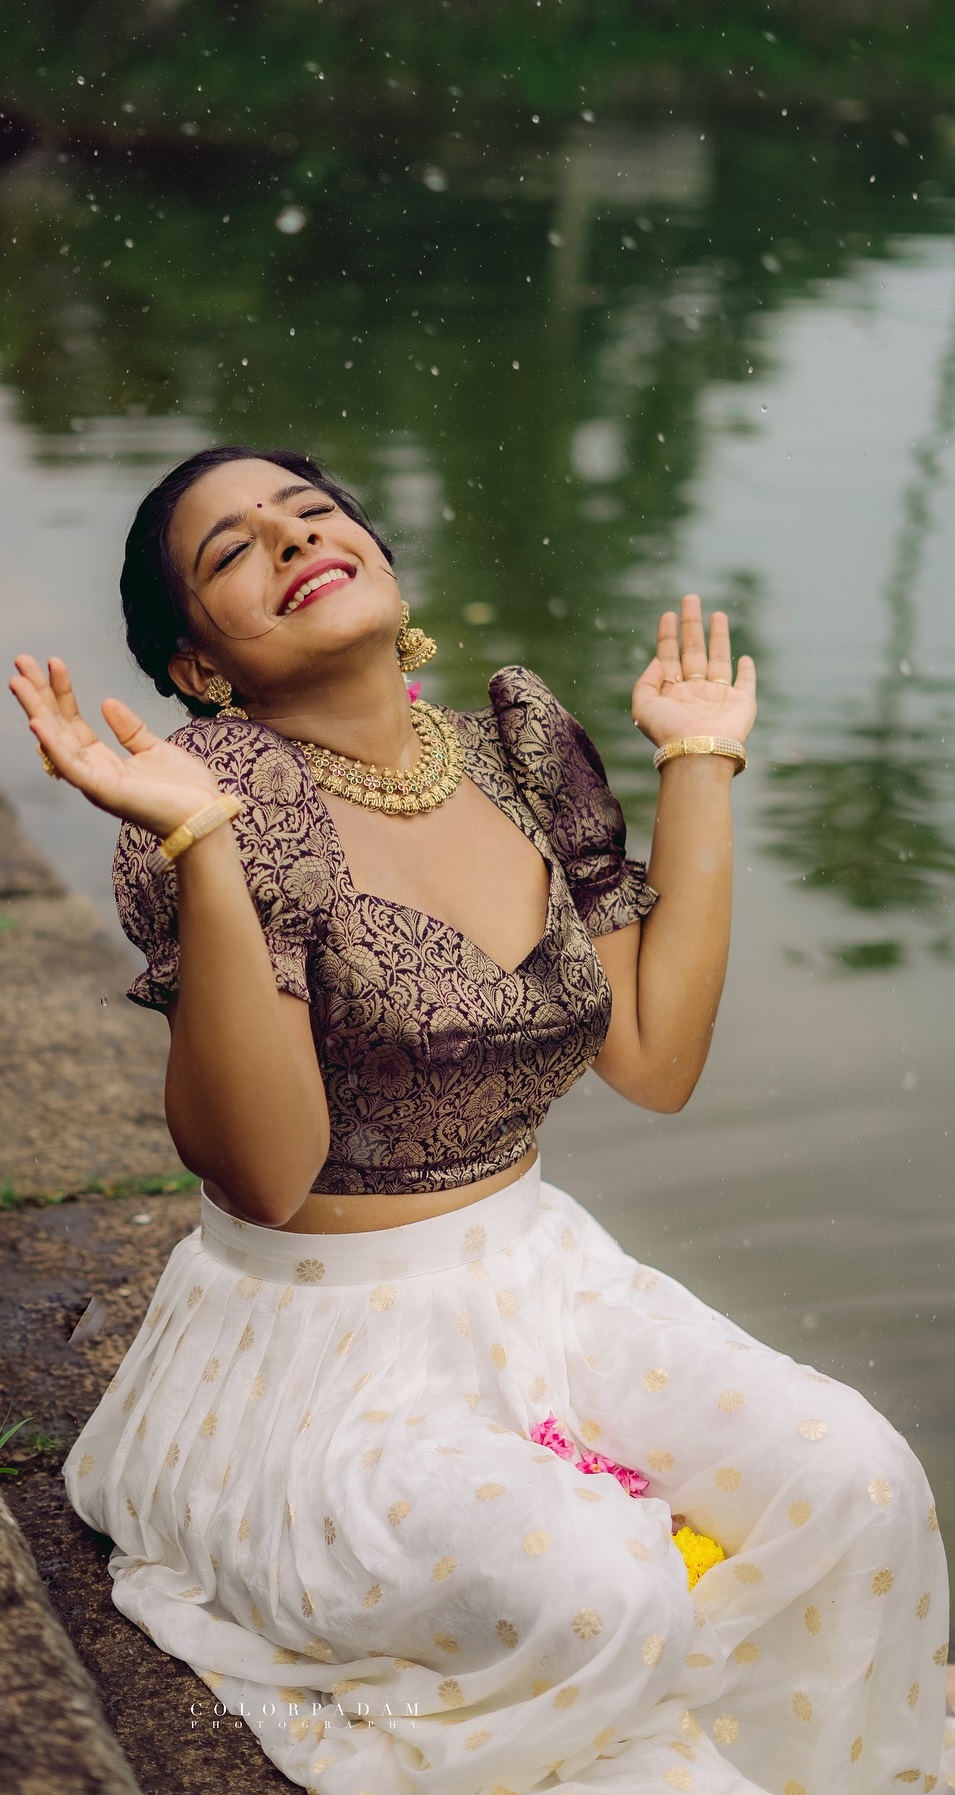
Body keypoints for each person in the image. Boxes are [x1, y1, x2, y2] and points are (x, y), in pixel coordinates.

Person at [10, 446, 949, 1795]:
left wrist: (697, 759)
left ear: (381, 560)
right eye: (232, 551)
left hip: (544, 1279)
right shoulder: (224, 794)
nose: (292, 540)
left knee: (858, 1479)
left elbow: (655, 1061)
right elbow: (265, 1174)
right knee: (597, 1594)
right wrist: (203, 851)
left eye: (311, 513)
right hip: (321, 1350)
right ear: (200, 664)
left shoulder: (515, 748)